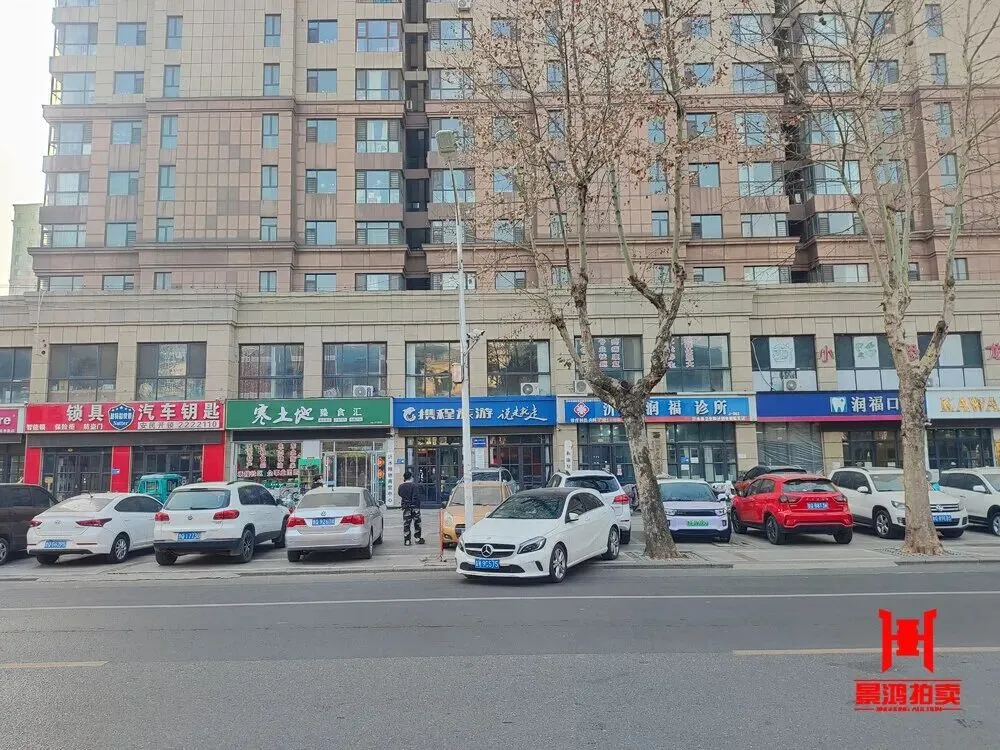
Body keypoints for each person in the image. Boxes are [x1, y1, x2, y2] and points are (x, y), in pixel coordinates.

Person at [398, 471, 424, 546]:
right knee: (417, 523)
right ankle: (417, 538)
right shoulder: (414, 486)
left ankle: (407, 540)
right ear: (410, 477)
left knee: (406, 524)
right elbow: (416, 496)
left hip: (406, 507)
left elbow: (400, 494)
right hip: (415, 507)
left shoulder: (401, 486)